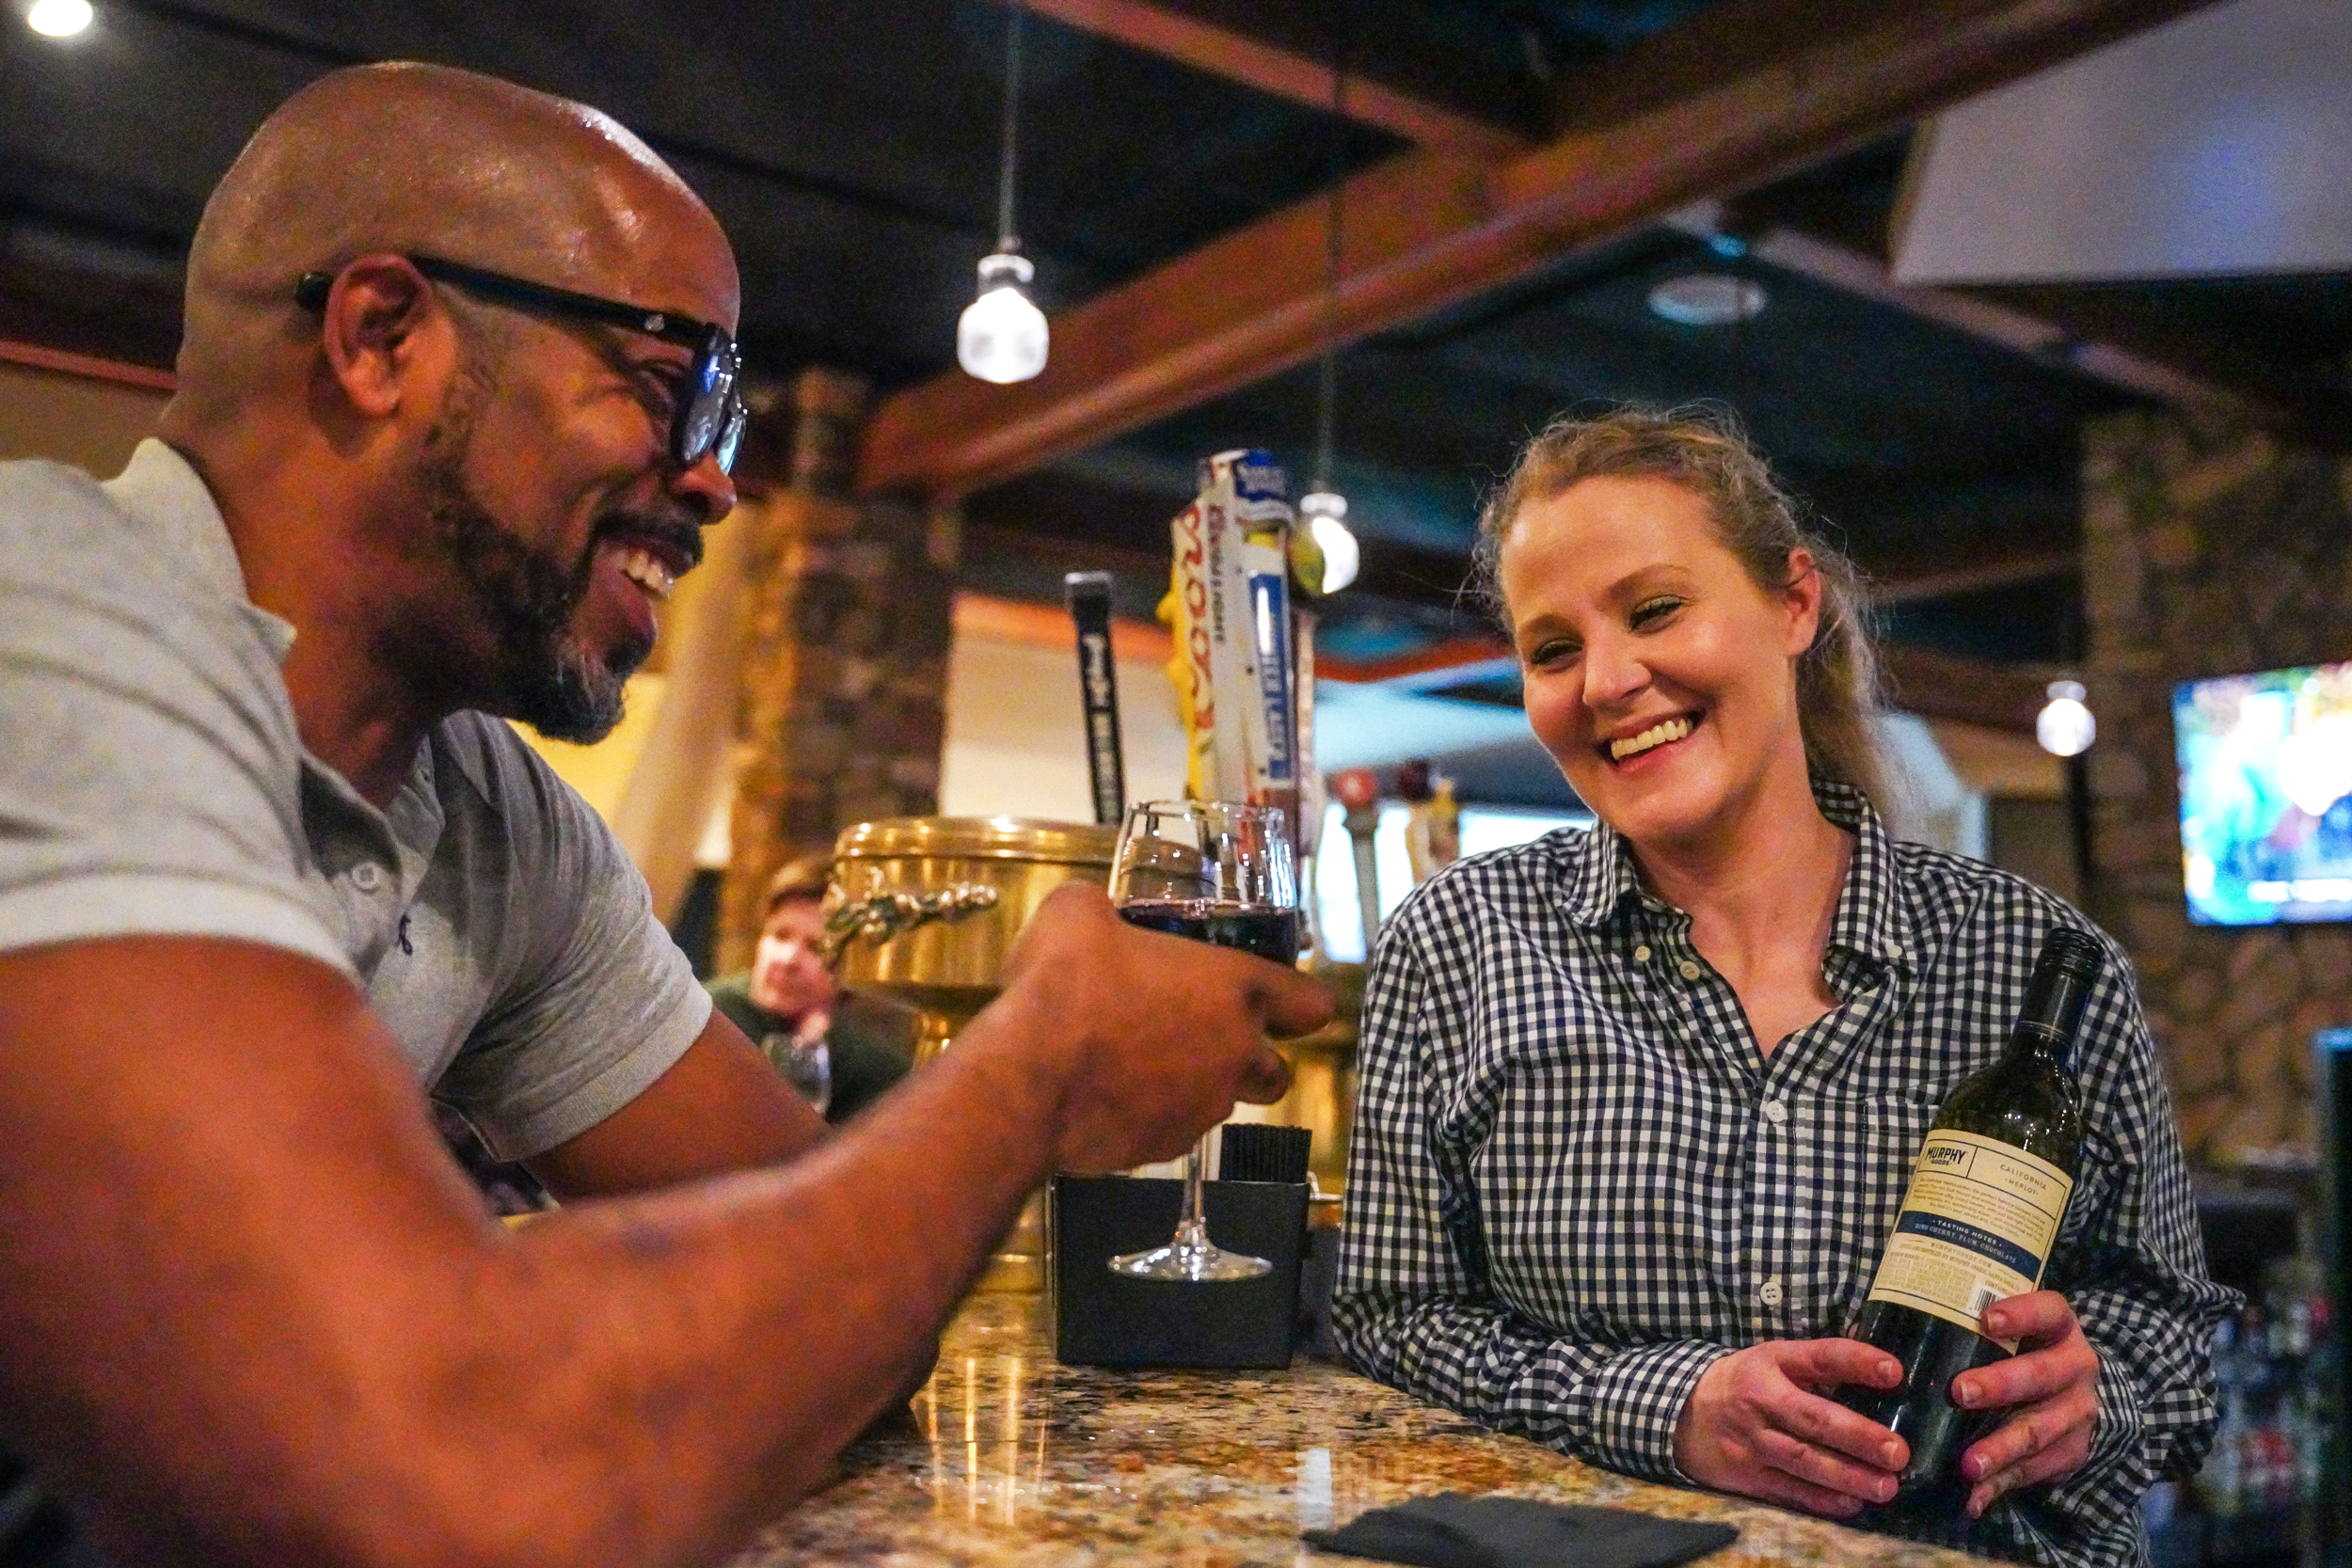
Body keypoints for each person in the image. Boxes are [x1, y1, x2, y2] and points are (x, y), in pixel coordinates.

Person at [0, 61, 1328, 1568]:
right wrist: (1032, 1071)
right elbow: (436, 1482)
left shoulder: (497, 815)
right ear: (382, 336)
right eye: (671, 378)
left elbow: (841, 1304)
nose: (714, 482)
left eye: (733, 415)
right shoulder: (40, 611)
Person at [1329, 405, 2231, 1568]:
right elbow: (1387, 1323)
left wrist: (2087, 1394)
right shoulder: (1459, 944)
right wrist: (1665, 1406)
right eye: (1552, 649)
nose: (1606, 678)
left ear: (1793, 603)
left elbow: (2173, 1349)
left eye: (1655, 609)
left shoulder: (2038, 969)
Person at [706, 854, 918, 1121]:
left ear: (850, 965)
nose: (788, 960)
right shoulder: (707, 1018)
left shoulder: (875, 1070)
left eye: (815, 947)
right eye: (780, 935)